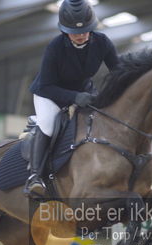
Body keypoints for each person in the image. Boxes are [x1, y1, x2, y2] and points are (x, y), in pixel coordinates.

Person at [24, 0, 119, 196]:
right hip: (50, 95)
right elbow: (46, 86)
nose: (81, 35)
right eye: (75, 32)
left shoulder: (103, 43)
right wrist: (75, 97)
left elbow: (118, 72)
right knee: (49, 125)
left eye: (86, 29)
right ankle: (35, 177)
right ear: (64, 30)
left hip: (84, 92)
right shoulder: (55, 47)